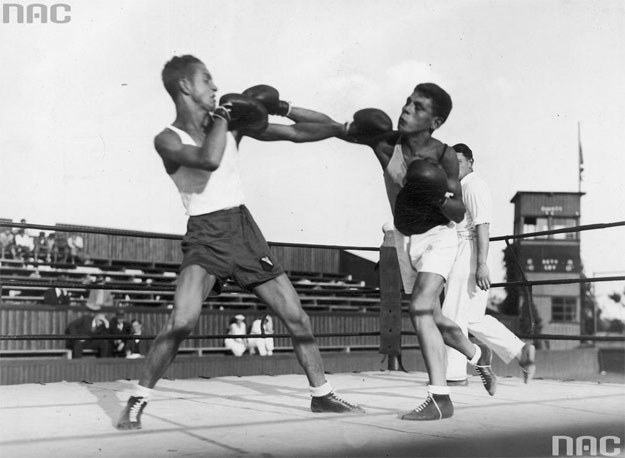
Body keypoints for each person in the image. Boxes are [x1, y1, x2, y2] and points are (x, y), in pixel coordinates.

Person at [117, 55, 363, 430]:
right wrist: (225, 117)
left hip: (243, 230)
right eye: (206, 80)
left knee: (296, 316)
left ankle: (322, 394)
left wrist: (295, 111)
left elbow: (300, 133)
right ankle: (138, 399)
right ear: (185, 86)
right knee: (181, 321)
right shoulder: (169, 138)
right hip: (205, 235)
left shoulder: (229, 125)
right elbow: (207, 159)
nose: (215, 88)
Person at [337, 84, 496, 420]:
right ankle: (477, 354)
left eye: (418, 107)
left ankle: (440, 398)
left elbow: (457, 213)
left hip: (439, 236)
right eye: (408, 102)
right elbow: (328, 128)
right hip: (405, 240)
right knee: (432, 316)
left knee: (421, 308)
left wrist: (435, 194)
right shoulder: (385, 144)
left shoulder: (445, 155)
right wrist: (285, 109)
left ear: (434, 121)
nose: (407, 109)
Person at [443, 143, 536, 385]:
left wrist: (482, 263)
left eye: (460, 162)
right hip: (466, 252)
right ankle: (520, 350)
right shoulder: (462, 186)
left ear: (471, 162)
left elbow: (482, 225)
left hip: (467, 254)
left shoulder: (473, 186)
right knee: (473, 318)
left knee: (453, 314)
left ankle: (454, 374)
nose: (455, 166)